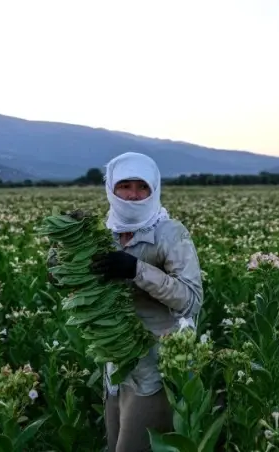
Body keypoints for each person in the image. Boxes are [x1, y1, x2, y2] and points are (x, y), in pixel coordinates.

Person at [47, 152, 204, 452]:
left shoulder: (169, 233)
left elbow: (190, 300)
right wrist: (63, 258)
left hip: (158, 366)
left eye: (142, 187)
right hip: (115, 365)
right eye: (125, 186)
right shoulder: (101, 235)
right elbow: (70, 284)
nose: (133, 195)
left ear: (154, 189)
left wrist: (136, 270)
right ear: (111, 189)